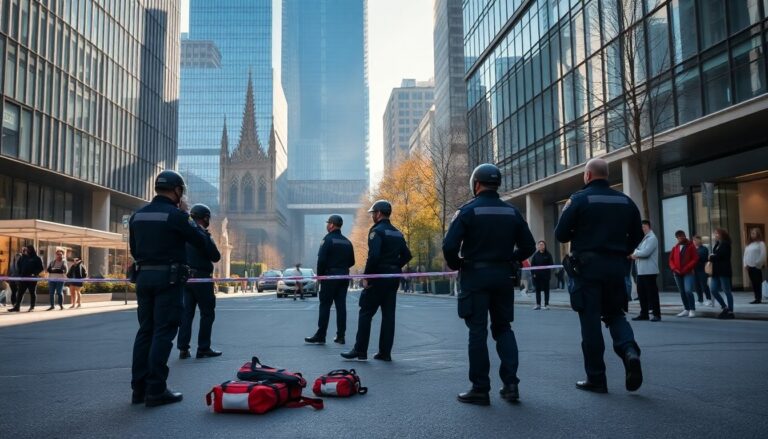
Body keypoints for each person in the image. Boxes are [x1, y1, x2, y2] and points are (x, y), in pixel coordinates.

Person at [443, 163, 535, 405]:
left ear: (476, 184)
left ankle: (480, 388)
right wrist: (510, 259)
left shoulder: (467, 211)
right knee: (504, 328)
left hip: (475, 276)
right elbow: (529, 246)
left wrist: (457, 264)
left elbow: (449, 246)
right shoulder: (512, 212)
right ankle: (511, 384)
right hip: (503, 277)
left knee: (477, 331)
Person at [555, 158, 644, 394]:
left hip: (587, 270)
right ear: (606, 175)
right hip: (616, 269)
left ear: (587, 175)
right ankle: (630, 351)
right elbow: (637, 235)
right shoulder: (625, 200)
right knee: (615, 314)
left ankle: (596, 378)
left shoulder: (578, 199)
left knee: (591, 321)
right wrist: (621, 251)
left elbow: (561, 234)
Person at [129, 170, 208, 407]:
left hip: (143, 279)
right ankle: (156, 389)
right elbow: (201, 242)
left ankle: (139, 389)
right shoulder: (176, 216)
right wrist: (187, 217)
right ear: (178, 191)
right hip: (169, 281)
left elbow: (134, 249)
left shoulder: (137, 216)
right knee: (163, 332)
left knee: (145, 331)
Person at [341, 200, 412, 362]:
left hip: (378, 277)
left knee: (365, 312)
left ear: (379, 213)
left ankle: (360, 350)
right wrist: (394, 266)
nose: (372, 216)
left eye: (373, 213)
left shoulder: (376, 231)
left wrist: (367, 276)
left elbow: (374, 256)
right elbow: (407, 255)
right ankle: (385, 353)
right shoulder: (397, 232)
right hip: (393, 278)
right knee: (388, 315)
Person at [177, 203, 222, 360]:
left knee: (186, 314)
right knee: (207, 313)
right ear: (205, 218)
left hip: (186, 278)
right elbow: (215, 256)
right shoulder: (201, 234)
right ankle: (203, 348)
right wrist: (208, 238)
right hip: (202, 278)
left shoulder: (183, 233)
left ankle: (183, 348)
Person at [305, 214, 355, 345]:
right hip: (344, 277)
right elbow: (352, 262)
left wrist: (320, 276)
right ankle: (341, 336)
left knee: (325, 306)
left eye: (328, 223)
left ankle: (321, 335)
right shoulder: (347, 241)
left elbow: (321, 260)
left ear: (332, 225)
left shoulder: (327, 240)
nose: (327, 225)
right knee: (341, 306)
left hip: (329, 277)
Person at [630, 220, 661, 321]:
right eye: (642, 227)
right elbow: (637, 249)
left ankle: (656, 314)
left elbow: (646, 252)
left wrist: (636, 254)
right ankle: (644, 314)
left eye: (644, 226)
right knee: (641, 294)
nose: (643, 228)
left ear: (649, 226)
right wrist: (637, 252)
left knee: (652, 294)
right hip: (641, 271)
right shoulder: (643, 238)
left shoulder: (652, 238)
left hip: (650, 271)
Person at [668, 230, 699, 318]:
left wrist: (687, 267)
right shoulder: (675, 247)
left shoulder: (691, 246)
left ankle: (692, 310)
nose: (681, 238)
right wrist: (674, 268)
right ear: (676, 238)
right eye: (679, 236)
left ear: (685, 236)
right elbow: (671, 260)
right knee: (682, 291)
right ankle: (686, 309)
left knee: (688, 290)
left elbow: (695, 259)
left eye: (682, 236)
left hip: (688, 272)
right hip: (677, 273)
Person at [8, 245, 44, 312]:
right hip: (23, 278)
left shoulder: (37, 258)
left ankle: (32, 307)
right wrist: (20, 274)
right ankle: (17, 307)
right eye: (26, 250)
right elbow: (18, 265)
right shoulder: (23, 258)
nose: (26, 251)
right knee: (20, 292)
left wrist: (34, 273)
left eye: (28, 250)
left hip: (32, 278)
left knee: (32, 292)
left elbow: (41, 268)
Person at [709, 228, 735, 319]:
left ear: (722, 235)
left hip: (724, 271)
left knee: (726, 290)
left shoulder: (726, 244)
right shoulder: (717, 244)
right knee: (713, 289)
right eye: (714, 234)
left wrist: (712, 257)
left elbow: (720, 256)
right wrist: (713, 257)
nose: (715, 235)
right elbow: (715, 256)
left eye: (717, 234)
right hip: (716, 272)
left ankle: (730, 311)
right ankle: (724, 307)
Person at [743, 228, 766, 304]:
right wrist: (745, 264)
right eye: (751, 233)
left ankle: (758, 298)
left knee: (757, 282)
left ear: (758, 234)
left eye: (754, 233)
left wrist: (757, 264)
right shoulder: (748, 245)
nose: (752, 235)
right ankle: (756, 297)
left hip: (756, 267)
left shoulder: (761, 244)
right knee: (753, 283)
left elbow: (763, 255)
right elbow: (745, 255)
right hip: (749, 266)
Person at [531, 241, 553, 310]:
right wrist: (533, 274)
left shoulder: (548, 254)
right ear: (538, 246)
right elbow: (532, 266)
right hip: (537, 276)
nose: (541, 246)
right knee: (538, 290)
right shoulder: (535, 255)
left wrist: (549, 273)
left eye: (542, 245)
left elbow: (551, 265)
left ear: (544, 246)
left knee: (546, 290)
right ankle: (538, 304)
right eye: (540, 245)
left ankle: (546, 304)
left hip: (546, 276)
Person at [692, 235, 713, 306]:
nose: (694, 241)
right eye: (693, 240)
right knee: (696, 285)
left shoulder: (704, 248)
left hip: (702, 269)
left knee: (704, 285)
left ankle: (709, 299)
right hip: (695, 270)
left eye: (695, 240)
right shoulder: (693, 249)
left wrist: (694, 257)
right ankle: (700, 300)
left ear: (699, 240)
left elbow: (702, 257)